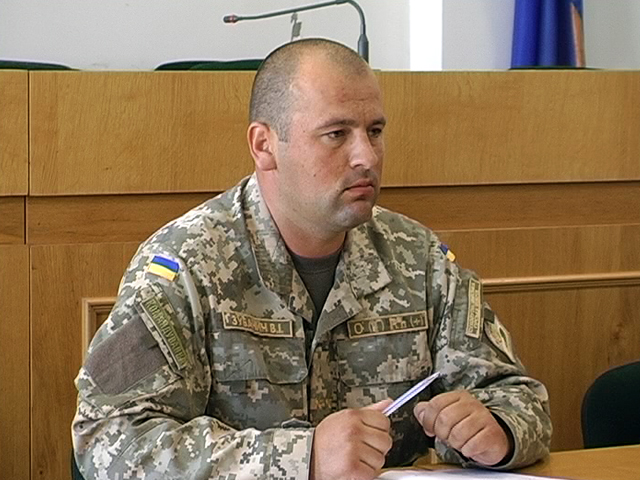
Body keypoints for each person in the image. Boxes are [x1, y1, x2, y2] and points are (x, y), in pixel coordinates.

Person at [72, 38, 551, 480]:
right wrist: (302, 458)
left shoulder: (419, 259)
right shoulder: (185, 266)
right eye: (336, 134)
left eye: (375, 131)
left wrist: (499, 432)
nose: (367, 157)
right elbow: (109, 439)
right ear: (264, 146)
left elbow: (518, 397)